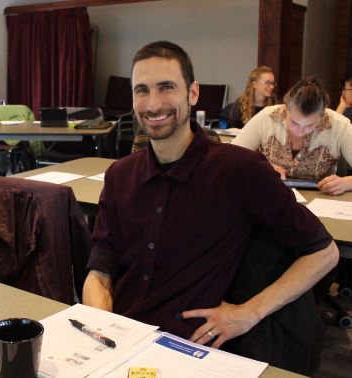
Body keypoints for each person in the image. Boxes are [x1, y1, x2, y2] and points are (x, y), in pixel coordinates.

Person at [82, 41, 338, 375]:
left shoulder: (239, 170)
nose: (153, 103)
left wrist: (249, 312)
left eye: (167, 87)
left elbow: (324, 252)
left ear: (193, 93)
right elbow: (100, 270)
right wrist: (102, 332)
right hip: (117, 345)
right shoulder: (119, 175)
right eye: (141, 90)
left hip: (185, 353)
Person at [233, 76, 352, 195]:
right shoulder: (267, 118)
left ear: (322, 116)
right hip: (269, 196)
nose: (300, 131)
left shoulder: (339, 125)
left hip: (321, 201)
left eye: (310, 125)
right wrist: (259, 168)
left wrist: (346, 182)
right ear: (286, 109)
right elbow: (231, 158)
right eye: (294, 122)